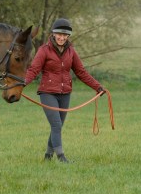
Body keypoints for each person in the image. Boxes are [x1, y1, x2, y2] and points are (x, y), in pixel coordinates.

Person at [24, 18, 104, 163]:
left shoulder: (71, 51)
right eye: (59, 34)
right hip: (47, 92)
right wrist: (22, 83)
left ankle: (48, 156)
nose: (62, 37)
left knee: (58, 126)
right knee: (56, 125)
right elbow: (33, 70)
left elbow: (81, 72)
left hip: (65, 93)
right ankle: (61, 157)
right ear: (53, 34)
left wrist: (97, 86)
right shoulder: (44, 50)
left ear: (68, 36)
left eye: (65, 35)